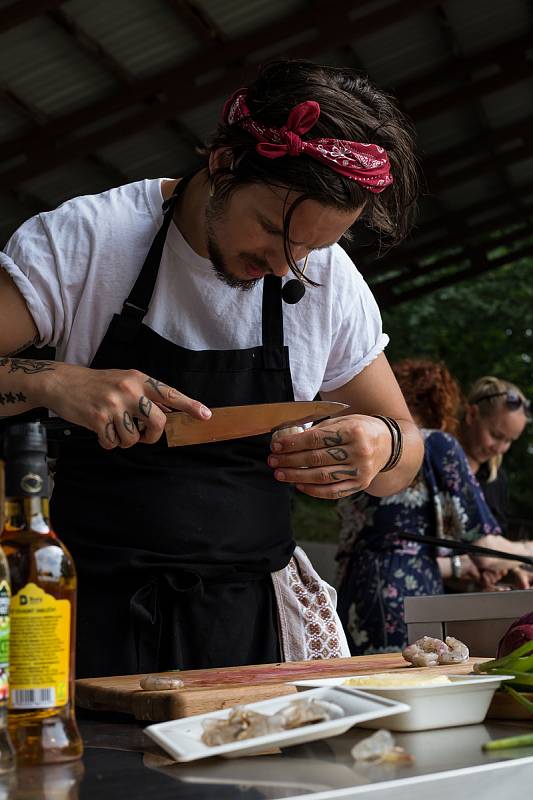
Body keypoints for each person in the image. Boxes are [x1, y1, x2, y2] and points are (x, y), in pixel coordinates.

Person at [0, 59, 424, 678]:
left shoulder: (331, 285)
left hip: (251, 629)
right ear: (224, 163)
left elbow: (406, 454)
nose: (286, 266)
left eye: (312, 247)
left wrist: (379, 447)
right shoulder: (89, 238)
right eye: (275, 232)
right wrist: (58, 382)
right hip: (81, 614)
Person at [336, 359, 531, 656]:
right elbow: (486, 552)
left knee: (367, 686)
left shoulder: (368, 454)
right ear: (445, 405)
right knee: (406, 688)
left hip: (352, 589)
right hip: (403, 594)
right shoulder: (437, 443)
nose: (500, 447)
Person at [459, 376, 530, 535]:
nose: (499, 449)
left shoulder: (497, 480)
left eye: (509, 440)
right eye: (496, 435)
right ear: (471, 415)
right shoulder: (433, 459)